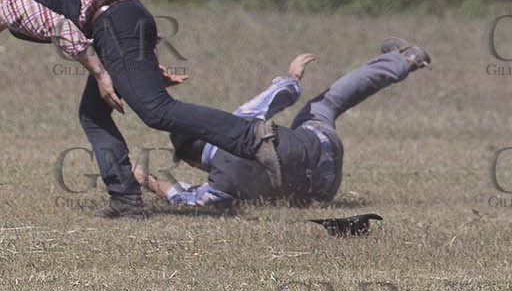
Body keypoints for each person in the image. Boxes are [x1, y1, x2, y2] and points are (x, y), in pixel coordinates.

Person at [0, 0, 283, 218]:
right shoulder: (22, 5)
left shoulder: (14, 7)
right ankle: (126, 199)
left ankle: (251, 137)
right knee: (93, 114)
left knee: (155, 110)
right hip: (121, 18)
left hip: (113, 23)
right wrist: (144, 68)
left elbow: (65, 31)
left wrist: (103, 74)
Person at [136, 37, 429, 209]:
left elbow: (189, 200)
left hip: (323, 191)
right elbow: (280, 96)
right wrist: (292, 75)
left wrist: (150, 182)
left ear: (190, 162)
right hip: (323, 146)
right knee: (326, 104)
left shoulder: (219, 186)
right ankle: (404, 60)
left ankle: (401, 61)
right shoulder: (237, 124)